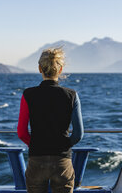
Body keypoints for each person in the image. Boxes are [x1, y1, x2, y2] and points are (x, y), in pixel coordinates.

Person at [17, 47, 84, 193]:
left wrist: (36, 144)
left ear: (40, 68)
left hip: (36, 160)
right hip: (62, 162)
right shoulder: (72, 95)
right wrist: (62, 145)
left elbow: (21, 133)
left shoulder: (28, 94)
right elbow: (78, 134)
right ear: (60, 70)